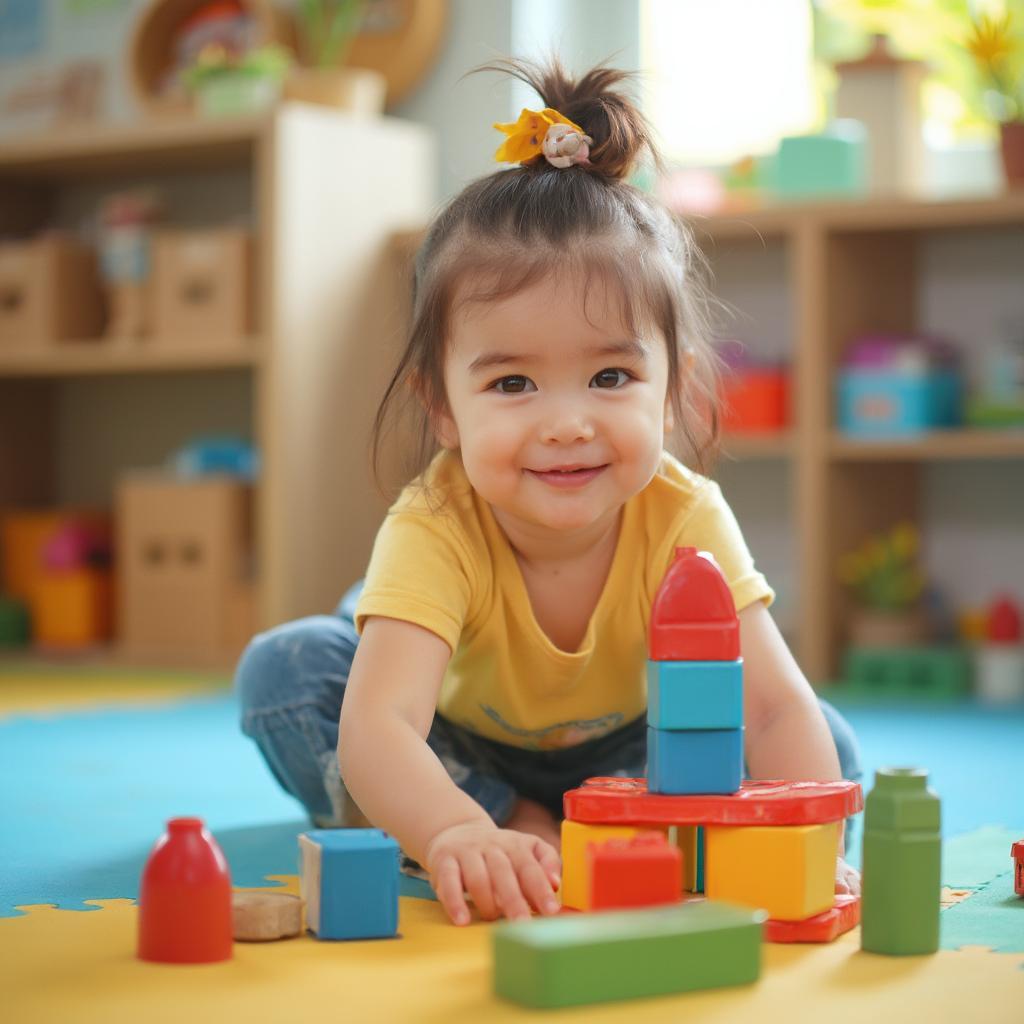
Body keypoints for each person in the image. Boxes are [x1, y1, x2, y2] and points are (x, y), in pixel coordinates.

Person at [236, 57, 862, 928]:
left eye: (610, 376)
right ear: (443, 409)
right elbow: (381, 727)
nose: (566, 424)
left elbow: (771, 703)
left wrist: (810, 850)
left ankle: (593, 829)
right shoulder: (435, 523)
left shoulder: (682, 516)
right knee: (289, 675)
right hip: (454, 749)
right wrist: (455, 826)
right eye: (513, 385)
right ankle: (514, 827)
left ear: (673, 388)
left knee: (827, 742)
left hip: (637, 753)